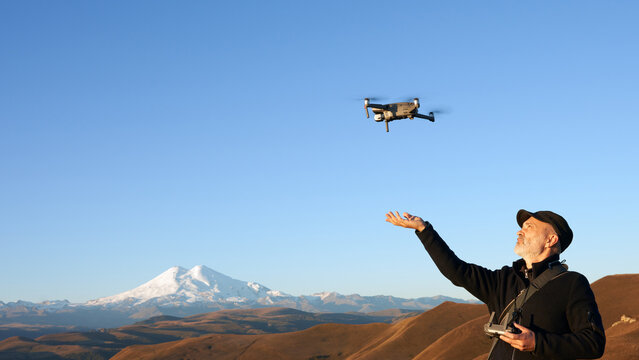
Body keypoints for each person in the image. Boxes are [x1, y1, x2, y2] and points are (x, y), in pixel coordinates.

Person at [385, 209, 605, 360]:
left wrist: (537, 342)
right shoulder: (504, 279)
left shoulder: (572, 283)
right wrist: (424, 230)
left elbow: (593, 342)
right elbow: (457, 271)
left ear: (550, 240)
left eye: (529, 227)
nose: (519, 231)